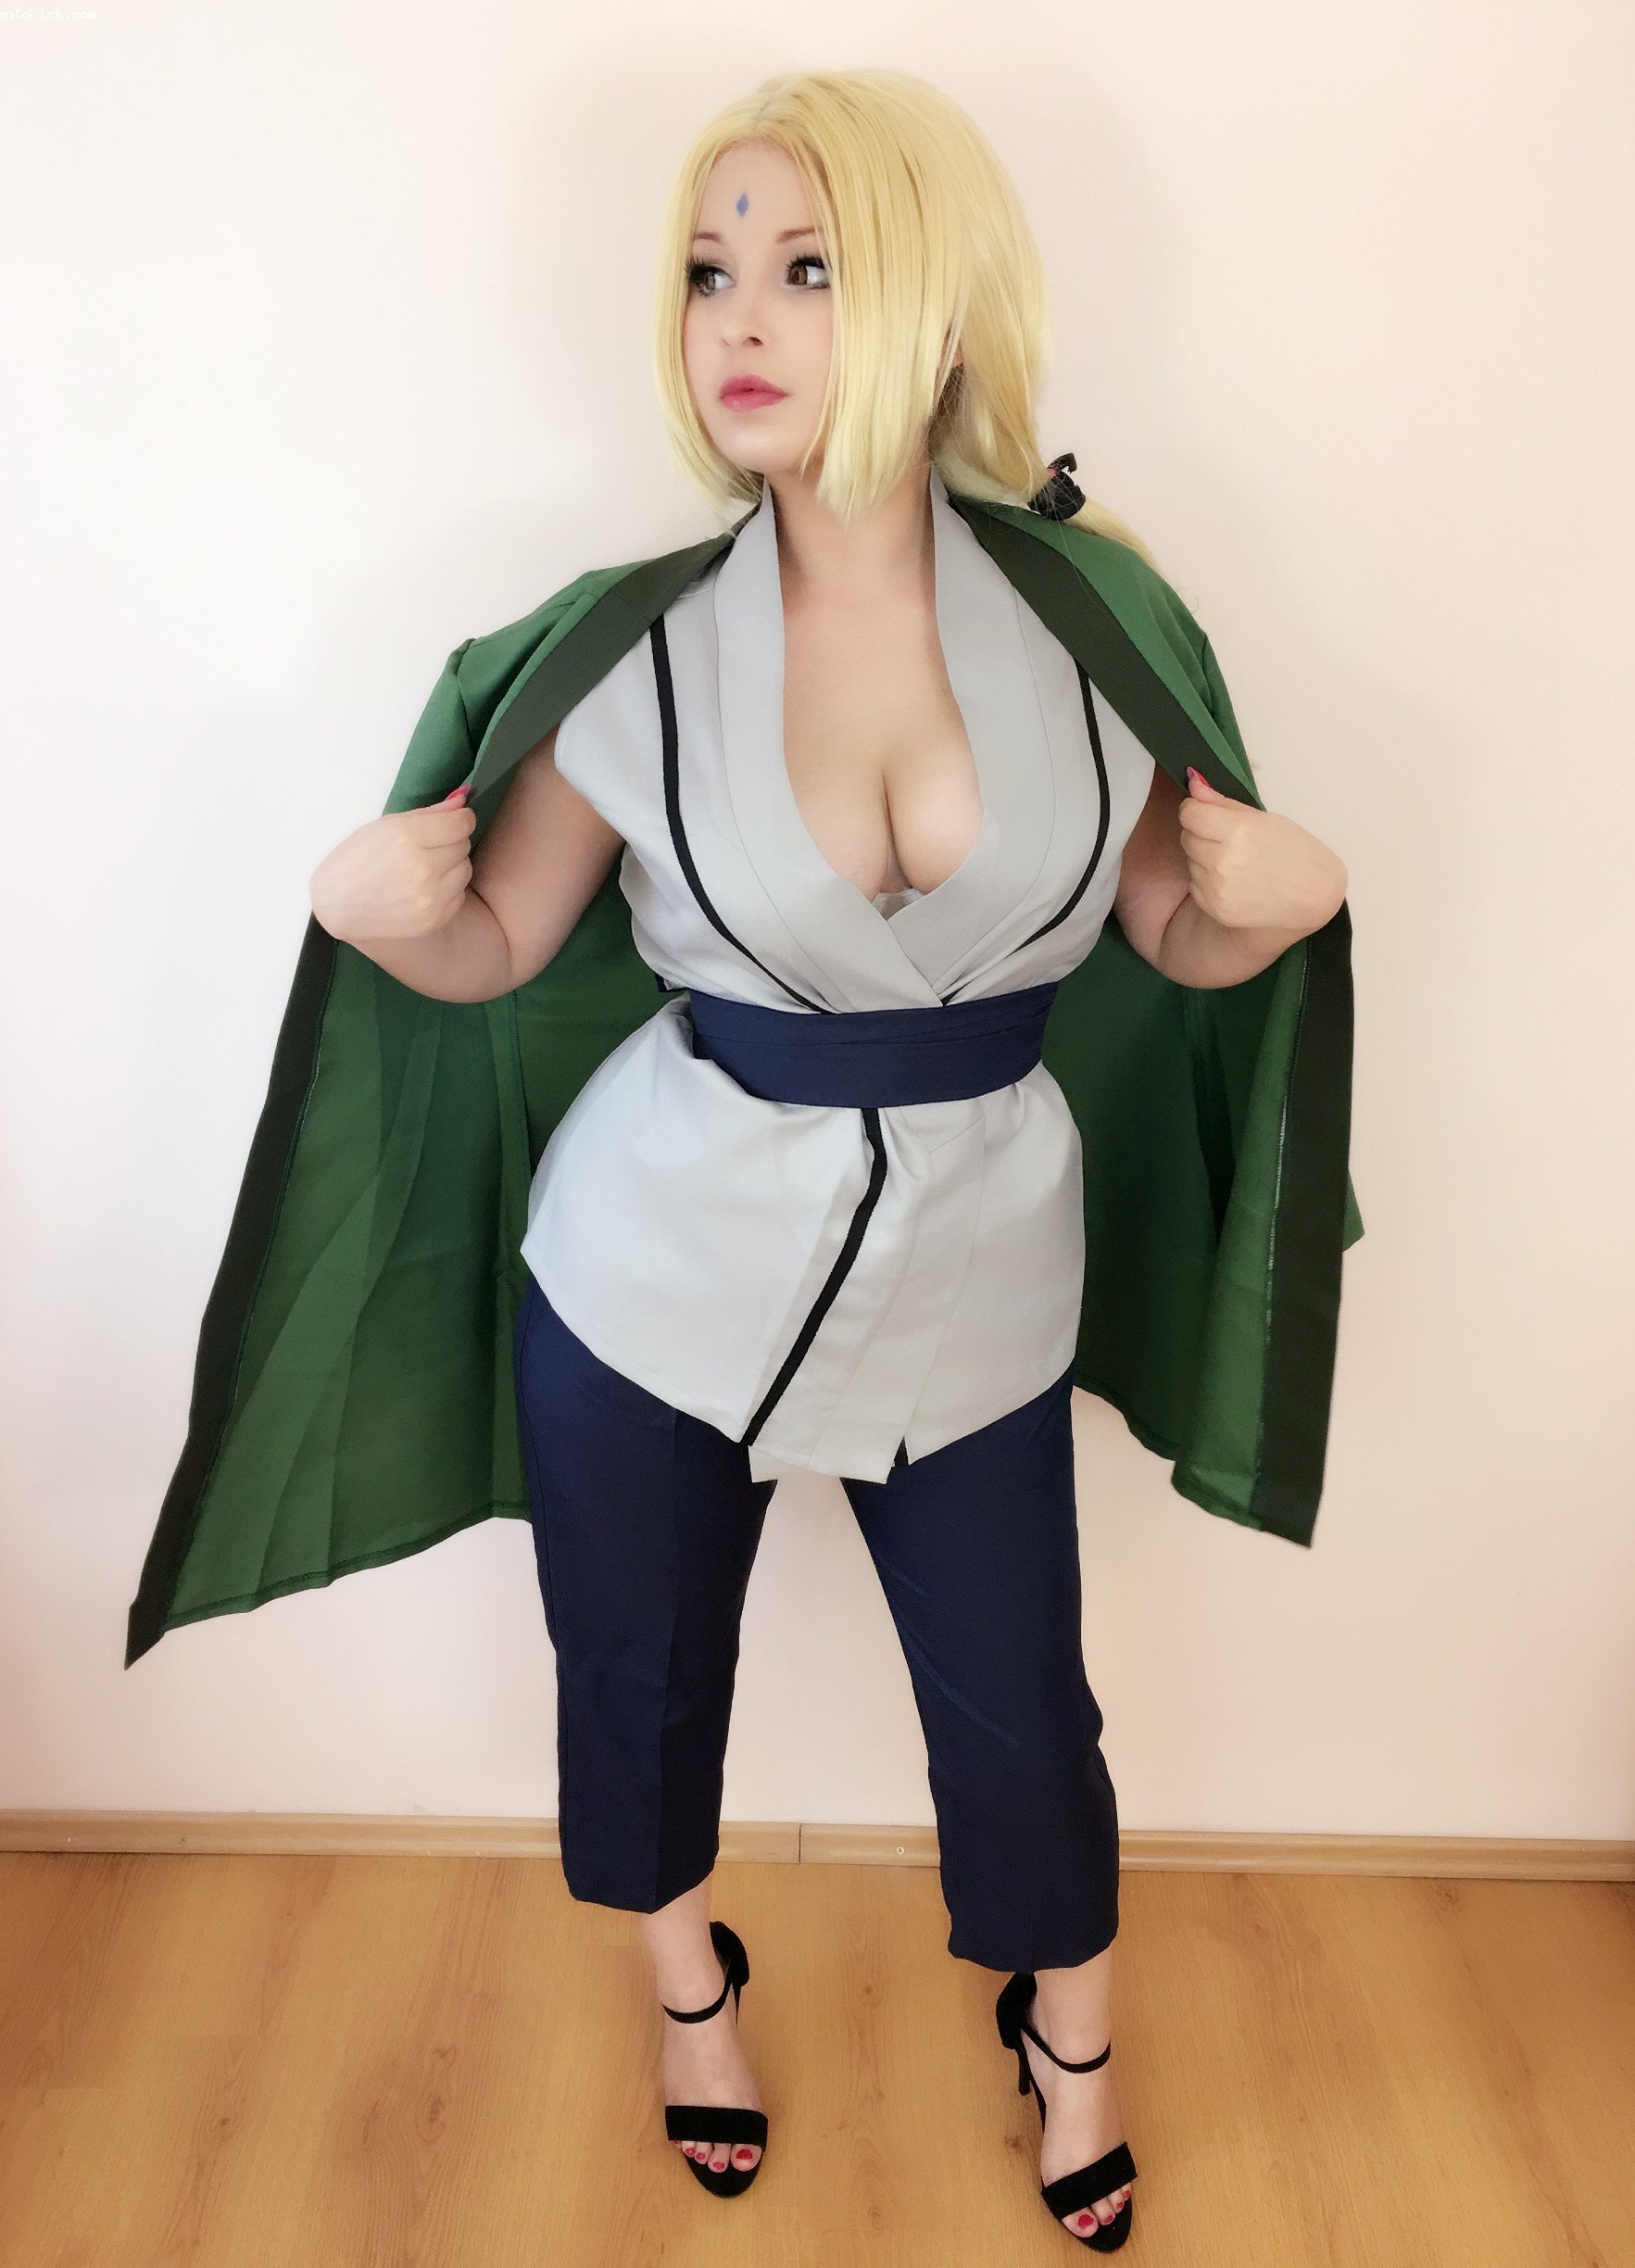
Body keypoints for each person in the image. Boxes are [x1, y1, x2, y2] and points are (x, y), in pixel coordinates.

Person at [297, 68, 1351, 2251]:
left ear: (939, 303)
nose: (742, 320)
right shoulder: (630, 644)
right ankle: (691, 1989)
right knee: (636, 1667)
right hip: (650, 1272)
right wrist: (374, 912)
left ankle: (1072, 2039)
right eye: (710, 272)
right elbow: (500, 944)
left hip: (976, 1277)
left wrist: (1288, 898)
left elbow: (1174, 932)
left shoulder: (1093, 621)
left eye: (809, 266)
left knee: (1025, 1713)